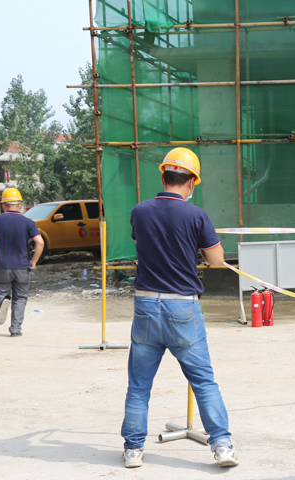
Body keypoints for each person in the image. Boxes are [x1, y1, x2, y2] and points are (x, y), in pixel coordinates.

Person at [121, 148, 238, 468]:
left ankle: (133, 450)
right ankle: (222, 446)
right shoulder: (197, 216)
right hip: (183, 308)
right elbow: (216, 260)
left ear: (163, 178)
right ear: (192, 182)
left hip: (146, 305)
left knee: (139, 385)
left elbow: (143, 243)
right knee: (203, 381)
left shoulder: (139, 211)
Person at [0, 188, 44, 337]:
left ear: (3, 205)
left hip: (1, 266)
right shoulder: (28, 222)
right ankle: (15, 330)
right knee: (20, 298)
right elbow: (40, 243)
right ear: (20, 205)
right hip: (22, 267)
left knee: (0, 292)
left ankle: (2, 301)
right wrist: (34, 261)